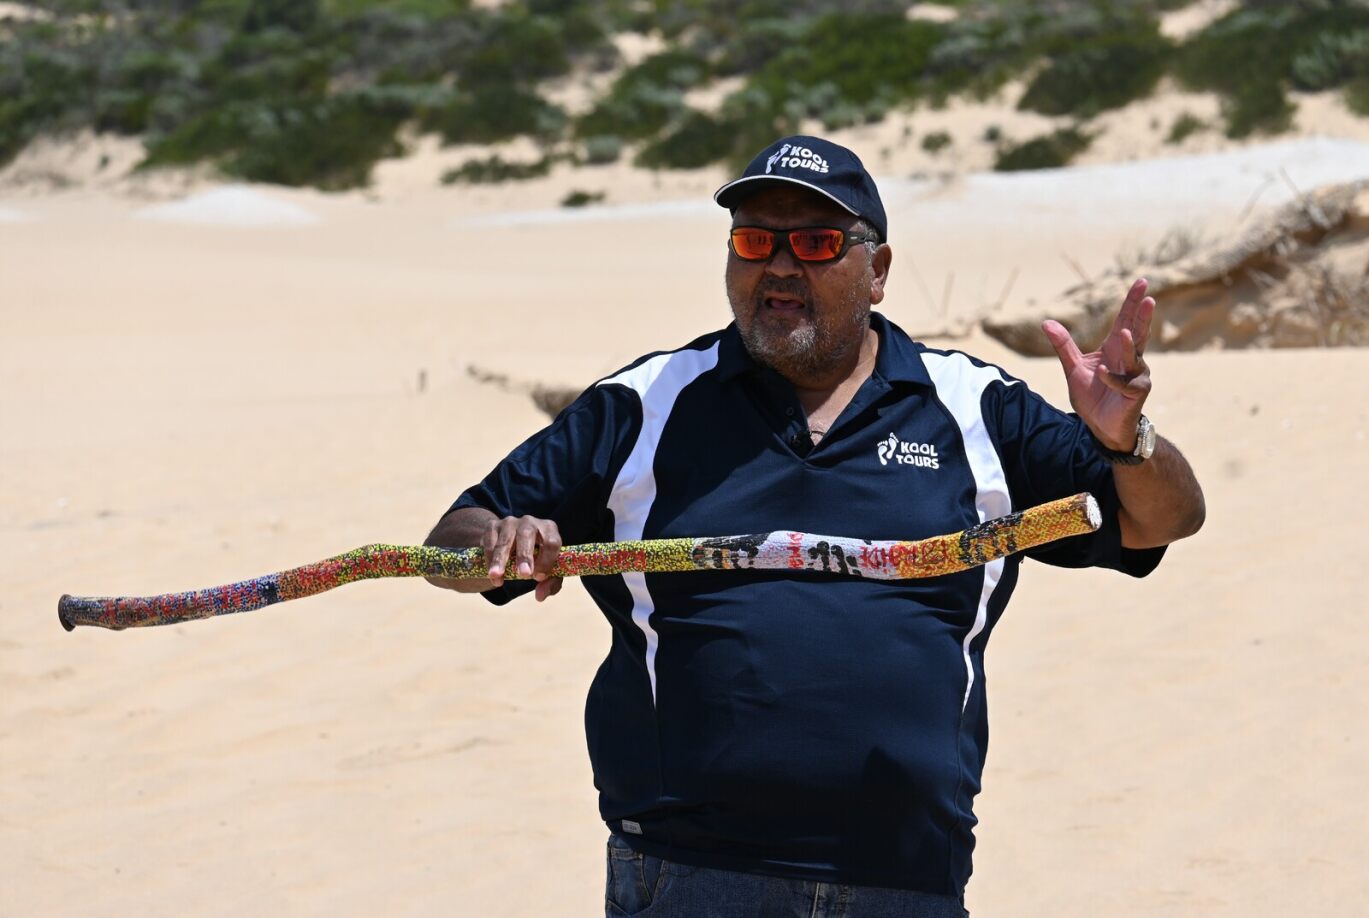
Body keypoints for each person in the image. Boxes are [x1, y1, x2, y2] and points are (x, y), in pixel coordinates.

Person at [424, 135, 1205, 917]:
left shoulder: (972, 408)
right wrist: (495, 544)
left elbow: (1159, 521)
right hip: (688, 873)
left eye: (816, 242)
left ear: (879, 271)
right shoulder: (647, 403)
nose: (780, 266)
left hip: (906, 877)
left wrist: (1124, 440)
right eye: (755, 240)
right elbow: (447, 543)